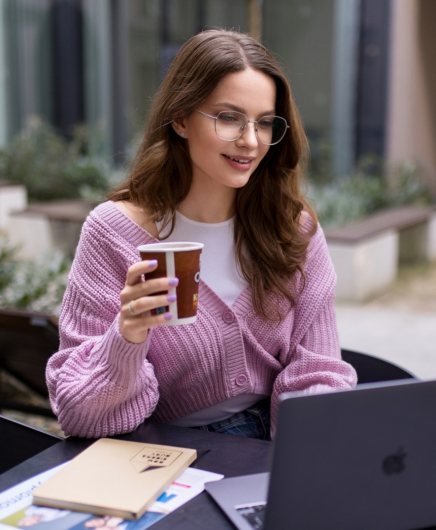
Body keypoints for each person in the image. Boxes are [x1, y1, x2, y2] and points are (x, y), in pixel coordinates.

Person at [46, 29, 357, 440]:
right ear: (180, 118)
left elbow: (316, 368)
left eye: (264, 123)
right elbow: (79, 416)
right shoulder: (112, 233)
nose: (250, 141)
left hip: (277, 444)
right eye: (229, 118)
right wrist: (127, 335)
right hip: (167, 454)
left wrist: (299, 458)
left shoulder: (292, 229)